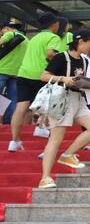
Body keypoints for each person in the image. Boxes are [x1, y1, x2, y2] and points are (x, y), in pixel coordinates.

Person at [38, 29, 90, 189]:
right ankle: (45, 178)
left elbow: (77, 80)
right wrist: (64, 79)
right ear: (80, 42)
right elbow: (44, 76)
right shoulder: (61, 57)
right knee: (55, 139)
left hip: (78, 99)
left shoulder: (85, 60)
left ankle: (68, 154)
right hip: (61, 99)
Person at [7, 13, 61, 152]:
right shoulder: (53, 37)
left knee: (21, 107)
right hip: (41, 75)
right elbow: (50, 53)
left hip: (23, 74)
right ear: (53, 24)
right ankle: (41, 126)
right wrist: (61, 59)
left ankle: (14, 141)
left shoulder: (34, 38)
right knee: (49, 101)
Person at [0, 20, 28, 124]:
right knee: (13, 98)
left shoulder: (10, 34)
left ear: (6, 28)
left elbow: (2, 41)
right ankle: (7, 122)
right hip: (16, 73)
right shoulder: (26, 40)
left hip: (2, 70)